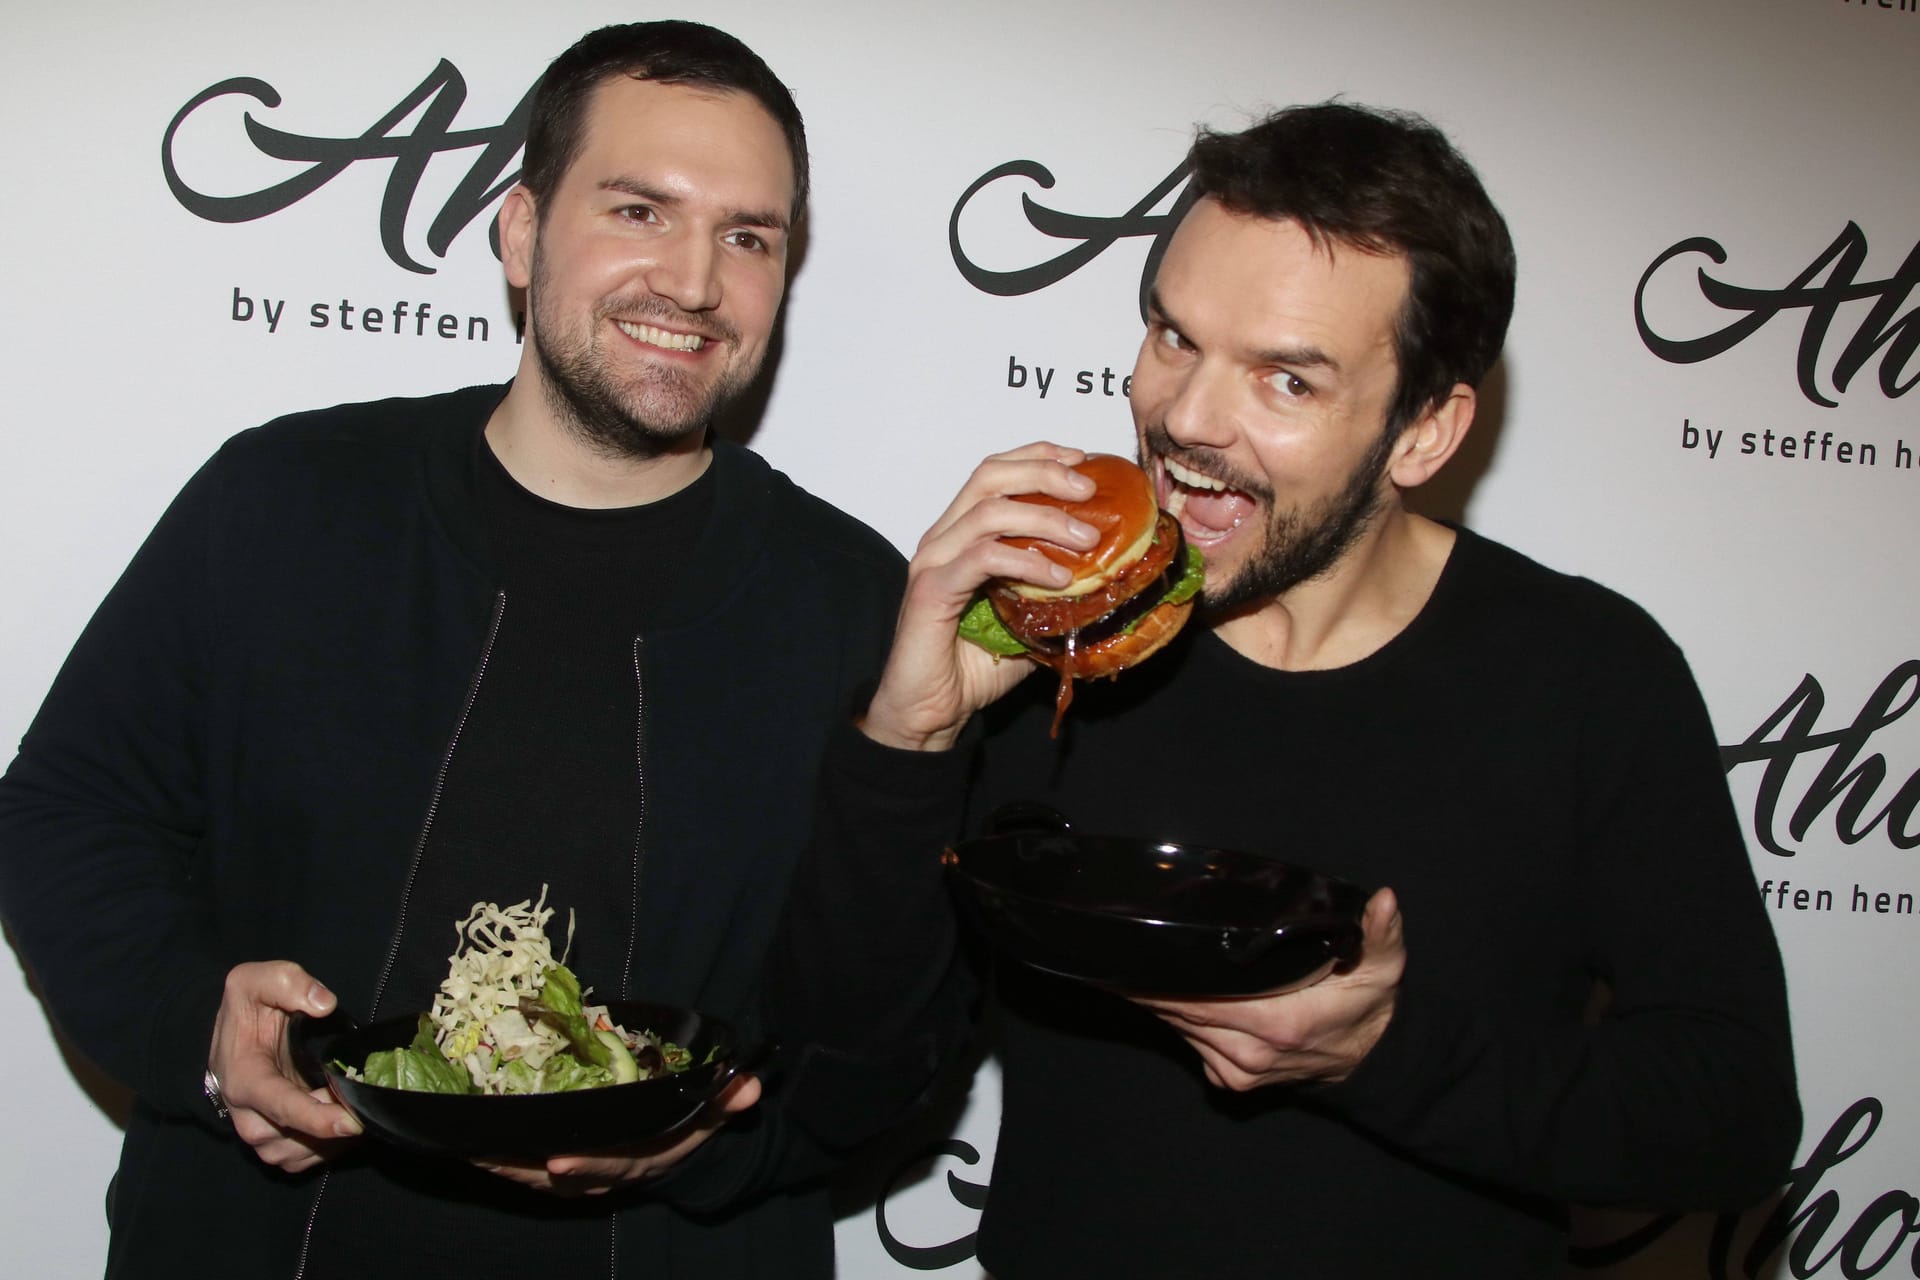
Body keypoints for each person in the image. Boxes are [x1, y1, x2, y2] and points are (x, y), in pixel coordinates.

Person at [770, 103, 1802, 1277]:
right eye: (1174, 335)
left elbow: (1733, 1115)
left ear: (1424, 429)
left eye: (1287, 380)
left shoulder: (1589, 675)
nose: (1188, 419)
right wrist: (914, 733)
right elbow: (844, 1085)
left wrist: (1387, 1050)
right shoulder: (1053, 636)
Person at [0, 21, 905, 1279]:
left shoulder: (859, 604)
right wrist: (200, 1025)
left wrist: (707, 1147)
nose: (694, 282)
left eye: (749, 237)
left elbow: (894, 1038)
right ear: (522, 232)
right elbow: (68, 809)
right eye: (640, 209)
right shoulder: (289, 498)